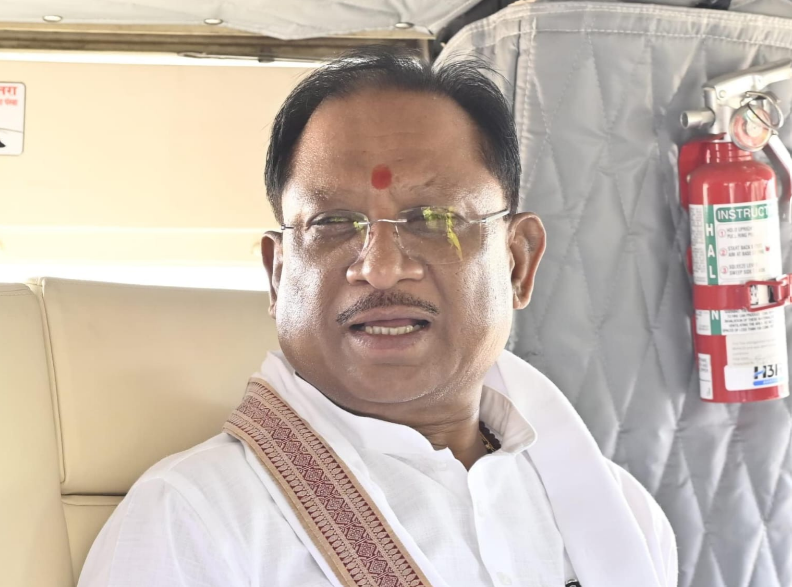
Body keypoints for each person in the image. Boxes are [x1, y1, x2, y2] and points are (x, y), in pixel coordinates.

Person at [79, 46, 677, 587]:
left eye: (435, 220)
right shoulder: (194, 519)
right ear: (278, 274)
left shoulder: (622, 518)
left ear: (518, 263)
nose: (382, 268)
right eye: (333, 223)